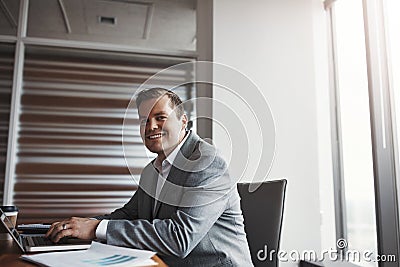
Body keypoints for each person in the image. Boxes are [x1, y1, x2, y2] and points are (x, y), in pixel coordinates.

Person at [46, 88, 253, 266]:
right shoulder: (151, 170)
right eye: (144, 120)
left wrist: (96, 229)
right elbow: (129, 215)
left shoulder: (207, 163)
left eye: (160, 117)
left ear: (183, 122)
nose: (151, 126)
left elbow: (179, 238)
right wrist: (78, 226)